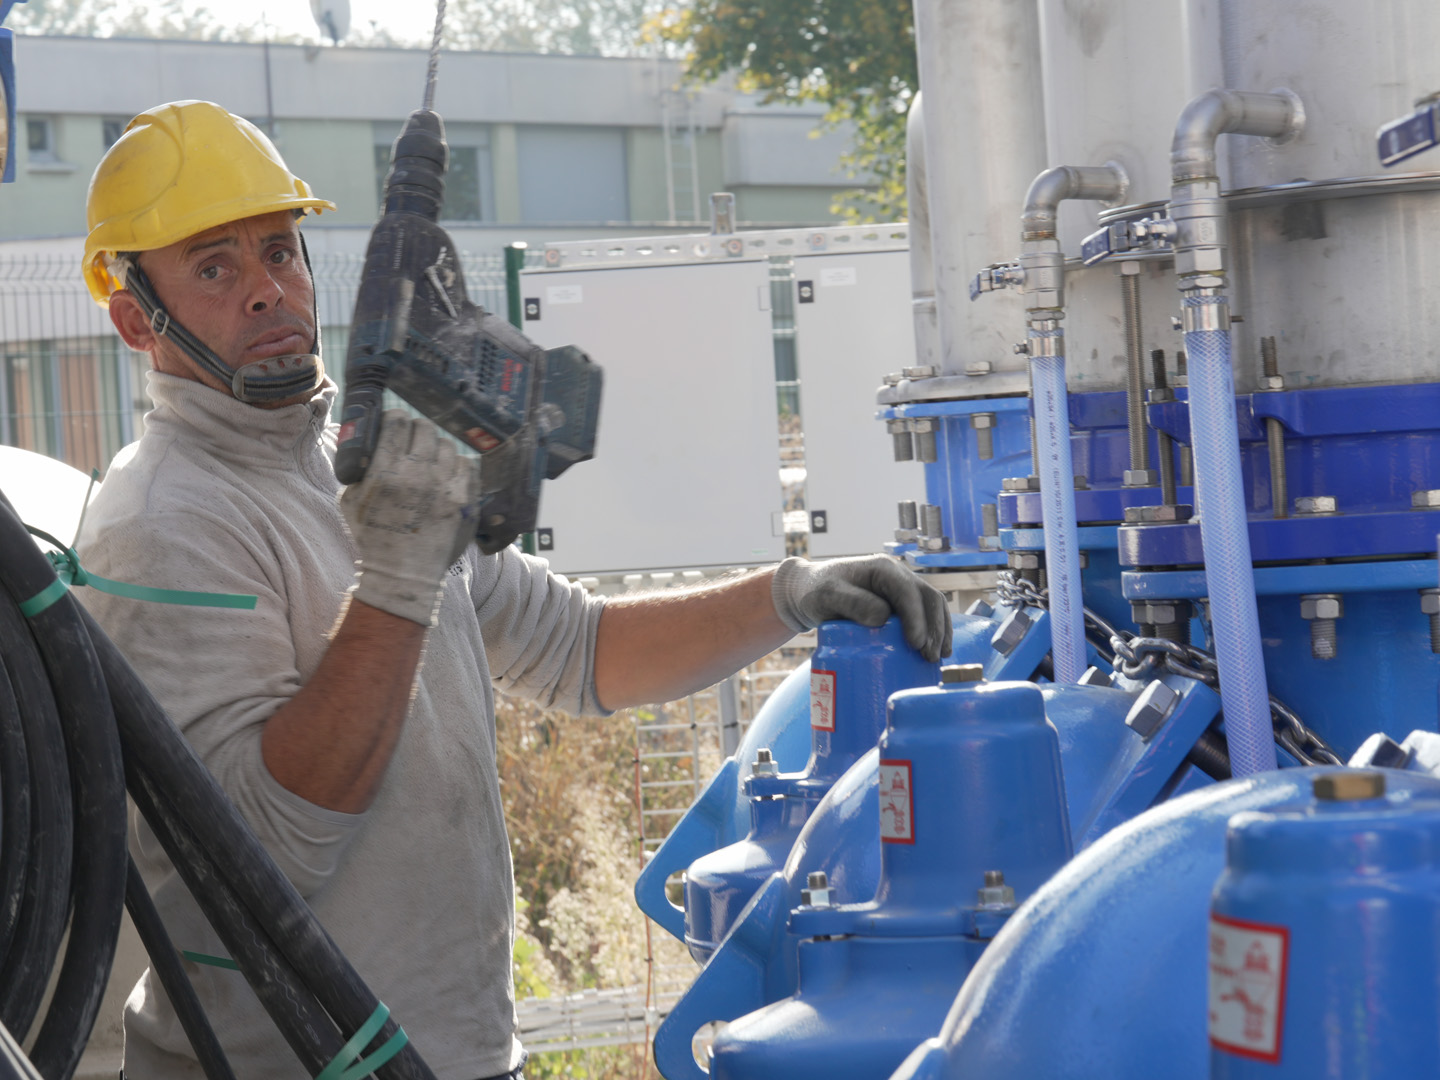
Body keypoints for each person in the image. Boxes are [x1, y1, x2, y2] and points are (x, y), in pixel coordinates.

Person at [77, 100, 953, 1080]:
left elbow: (579, 650)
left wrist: (790, 596)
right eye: (213, 266)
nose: (266, 291)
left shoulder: (354, 469)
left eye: (279, 250)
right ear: (131, 318)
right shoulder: (161, 519)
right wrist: (397, 580)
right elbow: (263, 850)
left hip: (449, 1056)